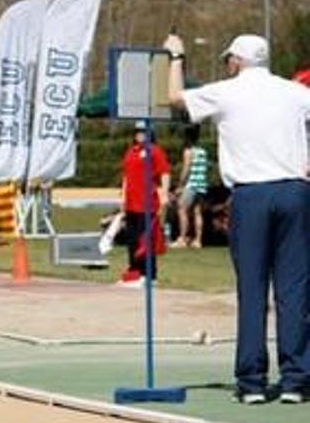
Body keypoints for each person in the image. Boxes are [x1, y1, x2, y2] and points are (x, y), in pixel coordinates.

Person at [165, 32, 310, 404]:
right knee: (294, 292)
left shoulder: (227, 91)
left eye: (229, 59)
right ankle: (295, 380)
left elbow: (174, 100)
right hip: (295, 192)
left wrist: (176, 57)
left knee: (252, 289)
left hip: (251, 195)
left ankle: (252, 382)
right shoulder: (294, 92)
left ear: (237, 61)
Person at [117, 120, 170, 288]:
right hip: (131, 203)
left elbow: (164, 173)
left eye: (143, 131)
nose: (140, 134)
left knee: (145, 241)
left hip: (147, 203)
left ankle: (149, 275)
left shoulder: (154, 151)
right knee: (132, 240)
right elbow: (126, 176)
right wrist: (123, 197)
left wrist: (164, 194)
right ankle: (134, 272)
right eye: (138, 131)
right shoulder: (131, 152)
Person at [172, 124, 208, 249]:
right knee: (197, 212)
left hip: (191, 184)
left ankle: (182, 238)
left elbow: (186, 169)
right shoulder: (202, 151)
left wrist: (180, 185)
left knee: (182, 209)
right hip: (201, 185)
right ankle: (198, 240)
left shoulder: (188, 151)